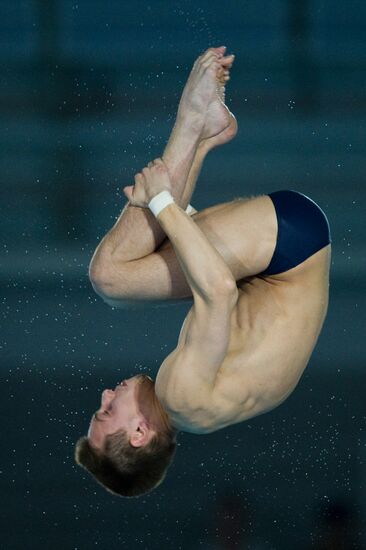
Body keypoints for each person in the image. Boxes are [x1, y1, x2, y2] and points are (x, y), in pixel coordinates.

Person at [74, 46, 331, 497]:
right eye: (105, 413)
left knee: (139, 263)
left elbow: (221, 290)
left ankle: (206, 133)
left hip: (288, 252)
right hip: (289, 245)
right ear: (138, 434)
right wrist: (160, 202)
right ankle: (194, 121)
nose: (104, 397)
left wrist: (175, 215)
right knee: (111, 277)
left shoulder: (199, 414)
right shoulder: (182, 396)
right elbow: (218, 290)